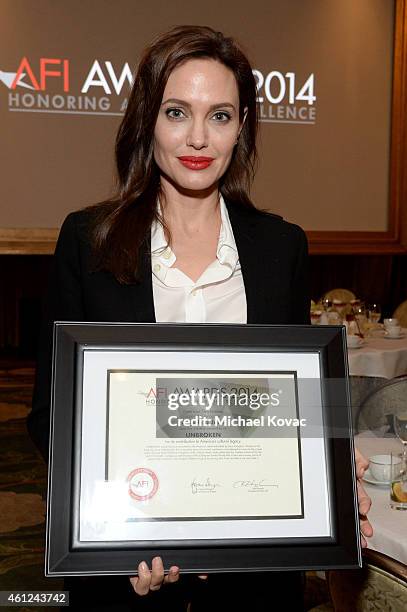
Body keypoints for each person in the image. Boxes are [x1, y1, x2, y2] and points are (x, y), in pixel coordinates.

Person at [28, 25, 372, 611]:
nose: (197, 137)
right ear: (147, 122)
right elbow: (51, 413)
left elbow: (300, 394)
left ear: (242, 129)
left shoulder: (279, 246)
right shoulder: (89, 240)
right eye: (176, 111)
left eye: (220, 116)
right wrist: (114, 527)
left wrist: (333, 461)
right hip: (133, 568)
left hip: (253, 572)